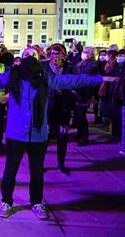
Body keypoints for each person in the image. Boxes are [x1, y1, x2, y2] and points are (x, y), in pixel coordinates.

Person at [0, 47, 115, 220]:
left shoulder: (46, 78)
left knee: (36, 171)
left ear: (39, 60)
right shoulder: (12, 76)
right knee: (10, 170)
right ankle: (6, 200)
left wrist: (100, 79)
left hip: (37, 133)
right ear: (21, 59)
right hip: (16, 132)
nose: (30, 59)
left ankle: (36, 201)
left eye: (33, 56)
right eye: (26, 55)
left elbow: (72, 80)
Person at [42, 44, 74, 175]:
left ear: (63, 55)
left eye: (59, 54)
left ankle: (61, 163)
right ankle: (39, 164)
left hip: (64, 109)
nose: (56, 56)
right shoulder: (43, 68)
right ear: (50, 55)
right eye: (54, 54)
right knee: (45, 138)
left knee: (63, 137)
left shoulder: (69, 68)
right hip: (48, 108)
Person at [72, 46, 99, 146]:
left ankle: (84, 137)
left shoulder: (92, 64)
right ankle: (79, 134)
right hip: (78, 91)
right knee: (78, 115)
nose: (84, 53)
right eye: (83, 51)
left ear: (91, 54)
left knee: (81, 116)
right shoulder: (82, 62)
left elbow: (85, 74)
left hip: (84, 92)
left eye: (86, 52)